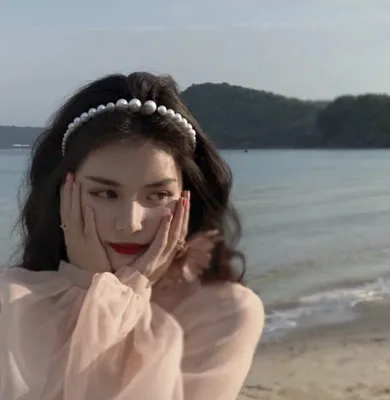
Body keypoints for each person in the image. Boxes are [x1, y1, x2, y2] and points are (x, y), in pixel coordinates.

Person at [0, 72, 265, 399]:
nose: (130, 224)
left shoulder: (223, 313)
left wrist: (111, 295)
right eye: (105, 193)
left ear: (187, 197)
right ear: (63, 193)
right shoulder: (12, 300)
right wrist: (85, 283)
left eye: (158, 195)